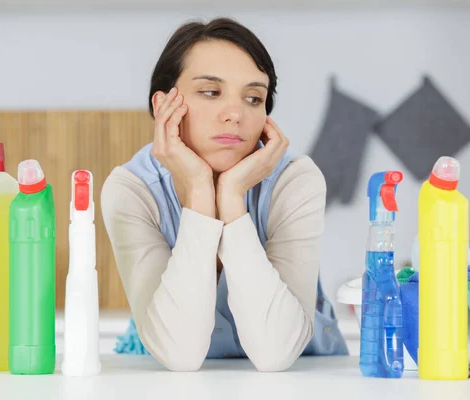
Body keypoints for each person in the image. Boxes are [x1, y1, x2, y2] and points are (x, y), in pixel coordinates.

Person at [101, 17, 348, 373]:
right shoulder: (131, 191)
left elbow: (277, 352)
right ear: (162, 106)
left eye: (253, 98)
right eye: (210, 92)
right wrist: (201, 191)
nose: (235, 114)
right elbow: (180, 355)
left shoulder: (295, 182)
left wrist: (232, 198)